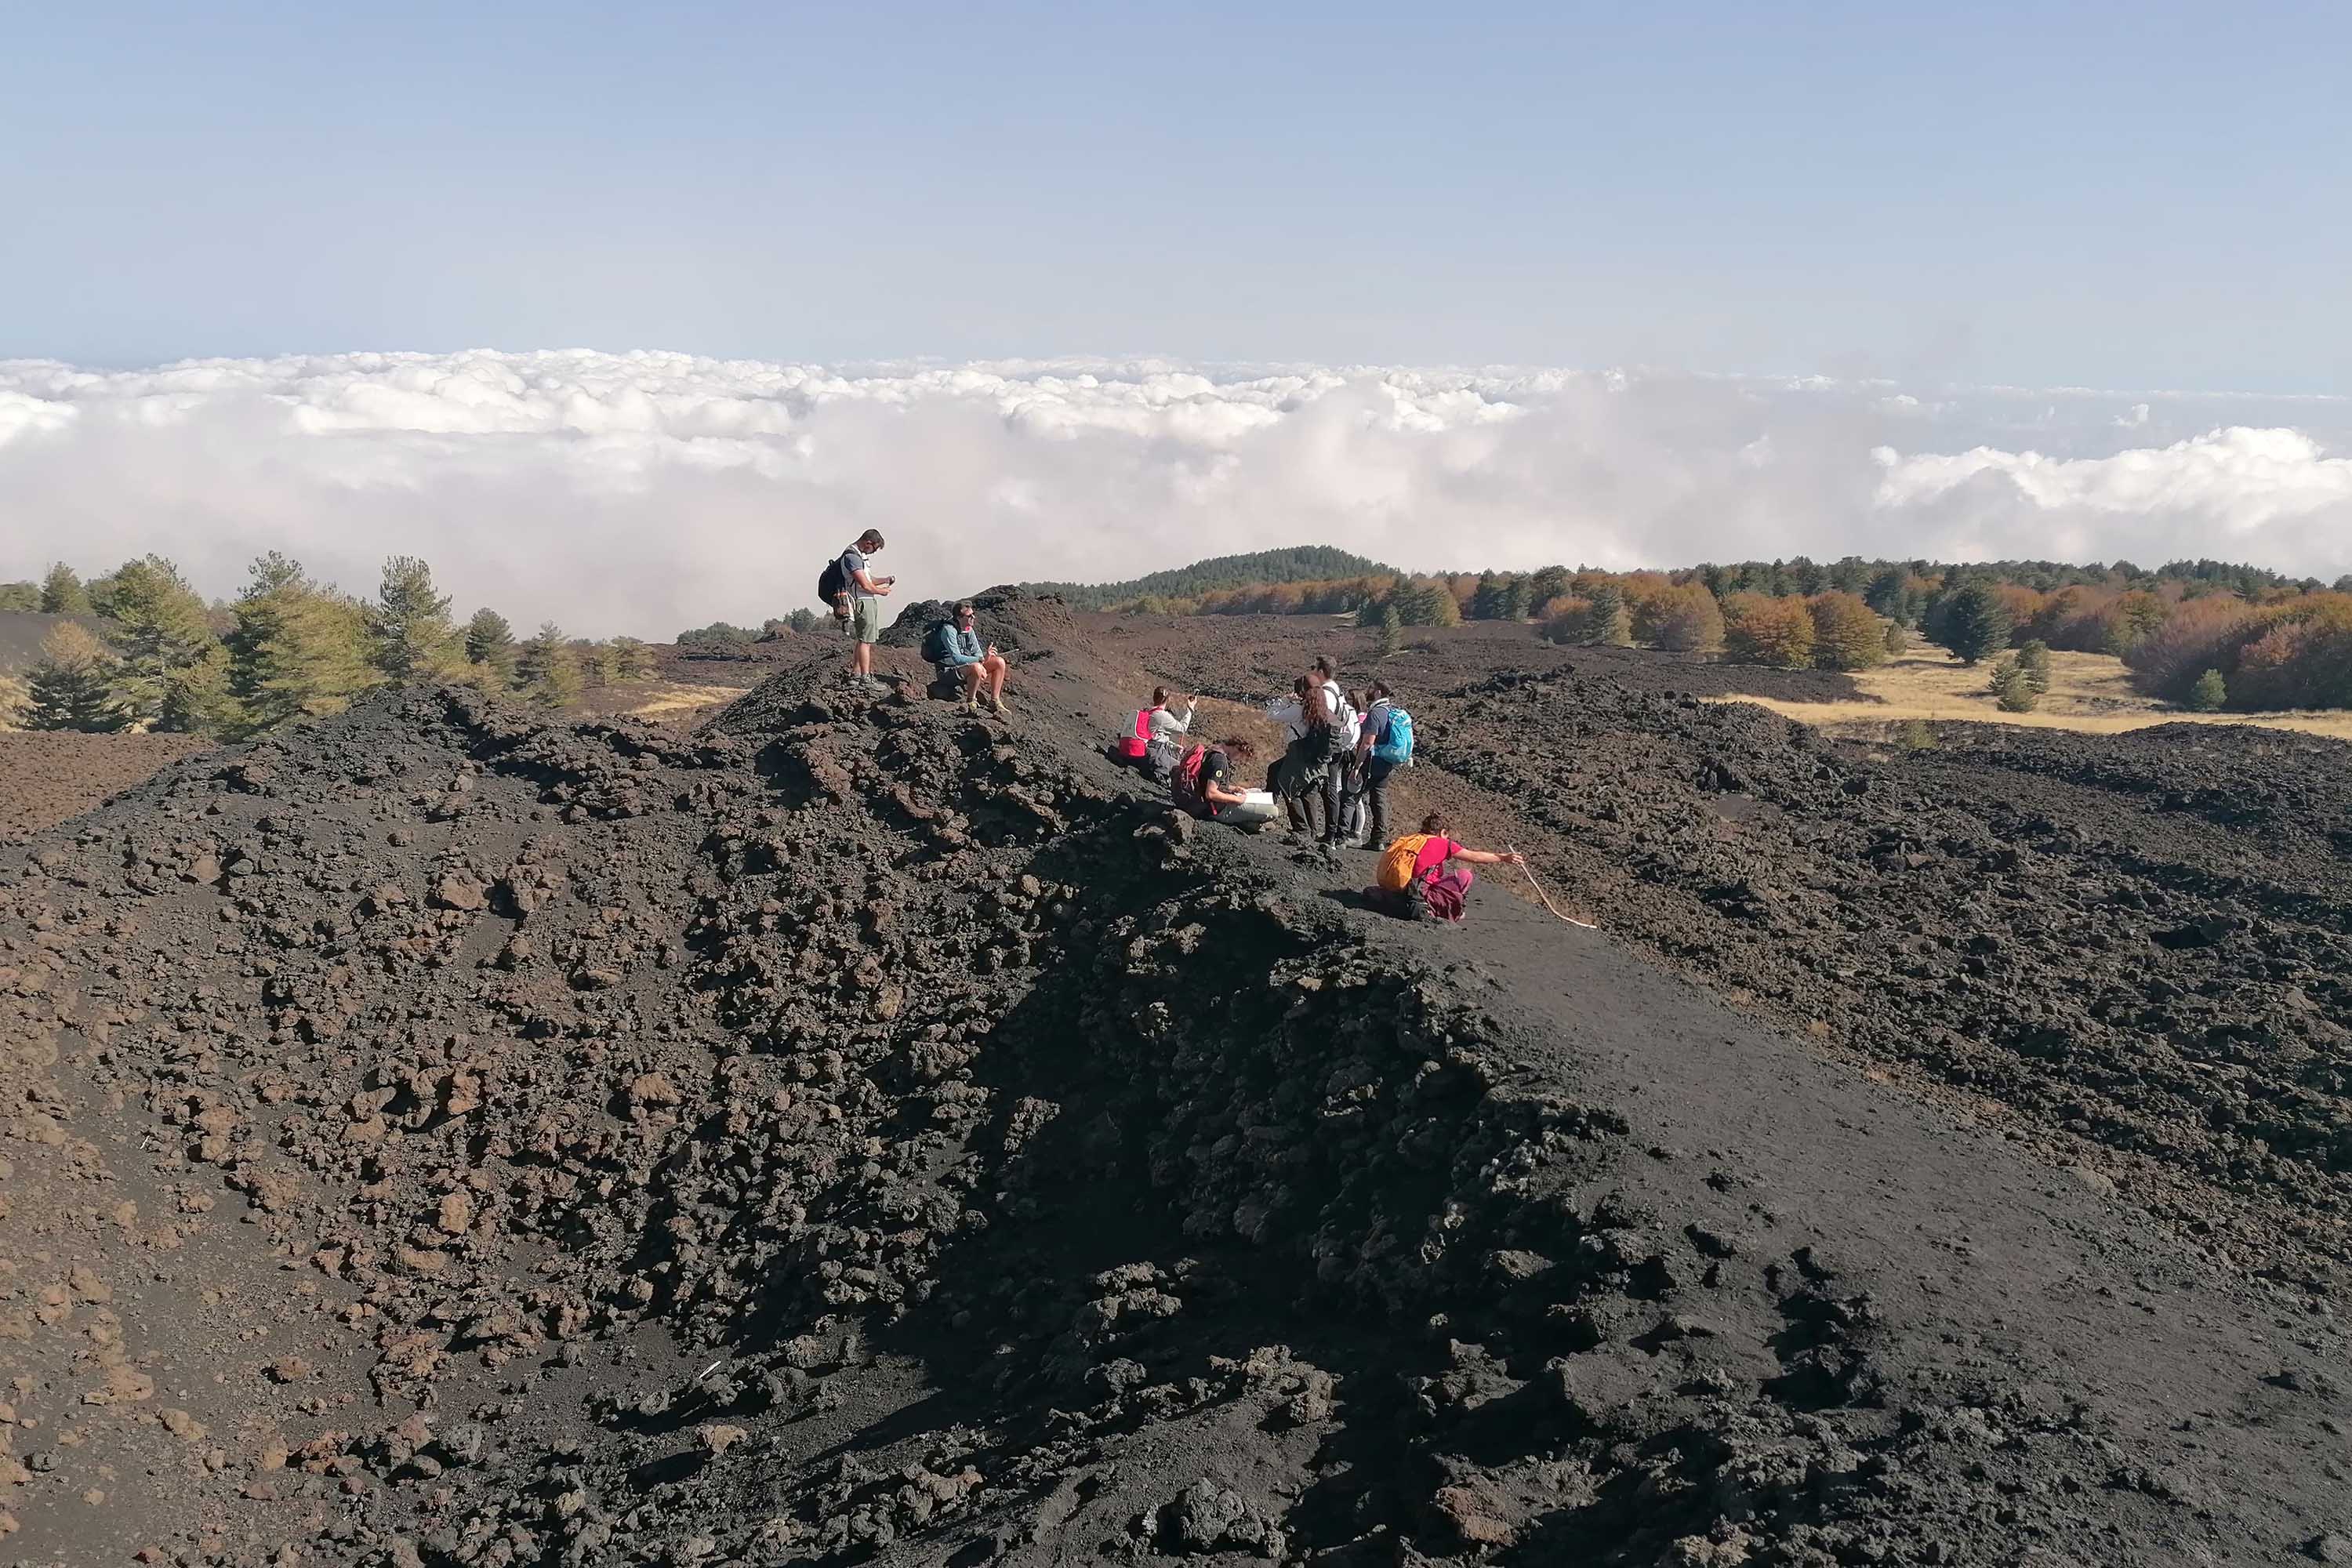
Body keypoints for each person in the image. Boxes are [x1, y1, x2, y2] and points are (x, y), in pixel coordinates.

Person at [1374, 812, 1522, 923]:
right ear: (1443, 832)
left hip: (1396, 888)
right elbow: (1475, 857)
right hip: (1417, 894)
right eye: (1447, 835)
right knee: (1465, 876)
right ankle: (1450, 910)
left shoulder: (1411, 840)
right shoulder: (1442, 843)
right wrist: (1504, 858)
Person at [1308, 657, 1360, 848]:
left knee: (1329, 789)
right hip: (1336, 745)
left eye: (1315, 669)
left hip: (1328, 747)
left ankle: (1331, 834)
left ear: (1322, 671)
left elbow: (1325, 722)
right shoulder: (1336, 690)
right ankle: (1332, 833)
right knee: (1329, 788)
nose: (1314, 672)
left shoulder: (1327, 694)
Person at [837, 530, 895, 691]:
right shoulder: (852, 557)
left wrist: (885, 580)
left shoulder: (858, 557)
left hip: (866, 600)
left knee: (862, 639)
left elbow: (869, 580)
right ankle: (865, 677)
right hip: (863, 602)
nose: (873, 552)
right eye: (874, 549)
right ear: (868, 542)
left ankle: (856, 675)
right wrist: (882, 591)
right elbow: (865, 585)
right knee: (866, 642)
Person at [1269, 677, 1327, 834]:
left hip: (1298, 753)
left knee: (1288, 787)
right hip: (1314, 754)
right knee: (1308, 791)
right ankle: (1312, 830)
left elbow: (1272, 714)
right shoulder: (1322, 708)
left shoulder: (1298, 710)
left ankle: (1301, 828)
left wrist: (1285, 699)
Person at [936, 601, 1011, 715]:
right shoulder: (949, 630)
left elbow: (978, 653)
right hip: (947, 672)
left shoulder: (968, 629)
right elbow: (957, 659)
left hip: (964, 668)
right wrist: (981, 660)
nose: (973, 617)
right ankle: (971, 701)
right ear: (959, 618)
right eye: (969, 616)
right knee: (976, 667)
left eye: (973, 614)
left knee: (999, 662)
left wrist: (984, 658)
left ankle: (995, 701)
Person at [1352, 679, 1400, 848]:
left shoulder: (1376, 713)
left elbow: (1368, 742)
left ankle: (1348, 835)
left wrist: (1357, 766)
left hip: (1372, 762)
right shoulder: (1391, 711)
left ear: (1378, 692)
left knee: (1351, 796)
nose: (1368, 690)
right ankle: (1378, 839)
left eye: (1371, 688)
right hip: (1387, 762)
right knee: (1379, 799)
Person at [1172, 739, 1254, 822]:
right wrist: (1237, 799)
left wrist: (1234, 789)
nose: (1239, 760)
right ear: (1236, 747)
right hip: (1202, 807)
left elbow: (1208, 780)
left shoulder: (1212, 750)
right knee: (1256, 812)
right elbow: (1211, 793)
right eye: (1241, 756)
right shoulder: (1220, 761)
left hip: (1187, 799)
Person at [1141, 686, 1196, 780]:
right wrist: (1190, 709)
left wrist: (1173, 746)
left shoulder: (1147, 711)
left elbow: (1156, 736)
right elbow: (1182, 728)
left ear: (1154, 697)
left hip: (1147, 750)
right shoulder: (1162, 716)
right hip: (1155, 754)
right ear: (1167, 700)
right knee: (1182, 769)